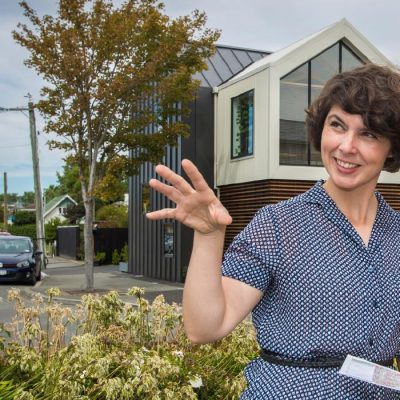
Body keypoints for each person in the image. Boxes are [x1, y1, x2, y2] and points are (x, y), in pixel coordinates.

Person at [146, 63, 400, 399]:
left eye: (368, 133)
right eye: (337, 126)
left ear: (392, 148)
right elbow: (204, 327)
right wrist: (208, 236)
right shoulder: (278, 225)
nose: (346, 146)